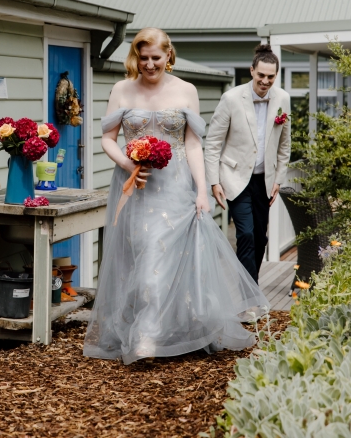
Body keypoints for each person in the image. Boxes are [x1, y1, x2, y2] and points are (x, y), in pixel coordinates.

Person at [83, 28, 269, 365]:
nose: (149, 64)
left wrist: (202, 189)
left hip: (176, 186)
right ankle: (143, 326)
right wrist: (127, 163)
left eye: (156, 57)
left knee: (163, 256)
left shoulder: (187, 90)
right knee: (139, 258)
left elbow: (193, 144)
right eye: (143, 58)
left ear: (168, 55)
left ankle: (148, 335)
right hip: (135, 186)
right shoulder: (121, 89)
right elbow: (107, 139)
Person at [204, 44, 291, 284]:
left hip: (265, 181)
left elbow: (285, 143)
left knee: (260, 238)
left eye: (270, 77)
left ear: (276, 75)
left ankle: (250, 285)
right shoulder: (231, 98)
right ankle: (249, 294)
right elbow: (213, 143)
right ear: (252, 70)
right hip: (235, 178)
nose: (265, 81)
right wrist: (214, 182)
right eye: (261, 75)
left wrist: (278, 179)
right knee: (245, 234)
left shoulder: (283, 98)